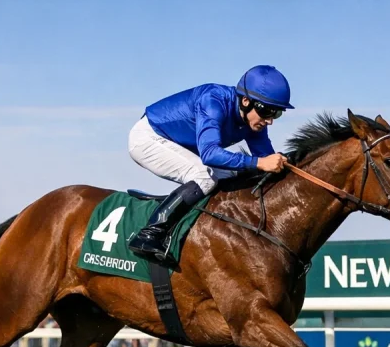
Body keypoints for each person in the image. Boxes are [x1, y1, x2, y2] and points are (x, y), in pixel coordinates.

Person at [126, 65, 294, 264]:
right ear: (246, 101)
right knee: (203, 176)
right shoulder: (213, 101)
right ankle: (149, 234)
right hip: (148, 138)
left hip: (179, 145)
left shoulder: (254, 121)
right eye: (266, 111)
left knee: (234, 176)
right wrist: (259, 162)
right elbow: (210, 154)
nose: (270, 121)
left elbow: (266, 161)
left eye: (276, 113)